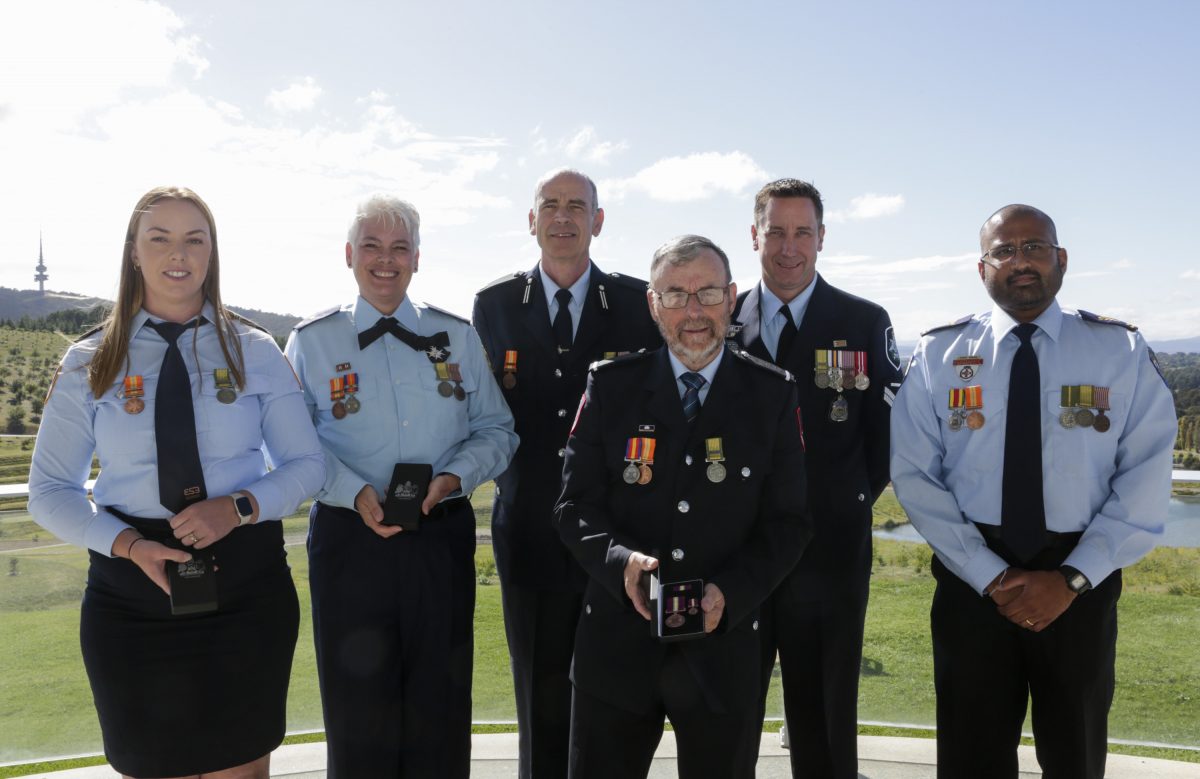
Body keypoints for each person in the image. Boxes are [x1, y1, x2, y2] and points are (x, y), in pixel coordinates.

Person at [28, 186, 326, 779]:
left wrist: (239, 507)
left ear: (212, 253)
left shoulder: (255, 350)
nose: (178, 253)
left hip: (245, 592)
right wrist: (131, 545)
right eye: (158, 237)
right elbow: (50, 491)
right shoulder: (91, 359)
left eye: (195, 238)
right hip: (129, 597)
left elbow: (307, 467)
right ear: (133, 253)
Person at [890, 204, 1177, 778]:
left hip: (1080, 583)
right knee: (971, 758)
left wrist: (1071, 579)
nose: (1020, 262)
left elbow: (1145, 473)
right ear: (981, 267)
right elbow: (916, 475)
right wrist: (988, 575)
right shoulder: (938, 356)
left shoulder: (1117, 352)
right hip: (972, 585)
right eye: (1004, 251)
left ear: (1060, 259)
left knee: (1075, 756)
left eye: (1035, 248)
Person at [556, 234, 811, 778]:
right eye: (675, 294)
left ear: (732, 299)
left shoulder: (772, 394)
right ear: (653, 305)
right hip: (617, 649)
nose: (693, 311)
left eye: (708, 293)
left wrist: (732, 591)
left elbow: (789, 523)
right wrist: (618, 560)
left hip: (723, 655)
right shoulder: (610, 387)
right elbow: (574, 506)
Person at [285, 194, 518, 778]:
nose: (384, 261)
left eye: (399, 248)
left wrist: (452, 479)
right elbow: (290, 445)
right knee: (356, 703)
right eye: (371, 246)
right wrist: (352, 492)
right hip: (348, 541)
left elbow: (498, 430)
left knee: (439, 701)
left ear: (417, 258)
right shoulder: (311, 341)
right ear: (348, 254)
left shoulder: (456, 336)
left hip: (438, 538)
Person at [471, 167, 662, 777]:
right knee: (537, 692)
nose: (562, 217)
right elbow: (481, 415)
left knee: (614, 695)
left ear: (598, 222)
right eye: (549, 205)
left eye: (576, 206)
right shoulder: (495, 305)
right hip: (527, 526)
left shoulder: (636, 304)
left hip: (613, 531)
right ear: (531, 220)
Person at [730, 178, 902, 777]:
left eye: (802, 232)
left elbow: (884, 445)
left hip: (827, 558)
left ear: (822, 238)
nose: (788, 246)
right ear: (754, 235)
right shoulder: (718, 319)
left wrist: (835, 503)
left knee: (824, 728)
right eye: (775, 231)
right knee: (725, 723)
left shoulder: (861, 320)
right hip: (734, 556)